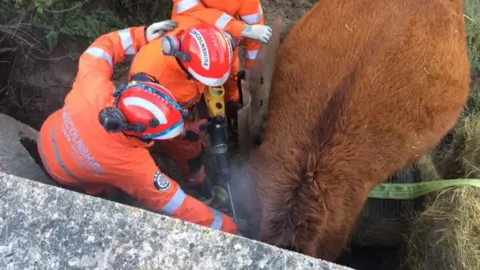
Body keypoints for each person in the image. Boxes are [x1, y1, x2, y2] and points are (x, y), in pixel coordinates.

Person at [36, 20, 239, 235]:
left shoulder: (94, 87)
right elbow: (178, 205)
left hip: (48, 134)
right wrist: (229, 227)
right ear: (144, 136)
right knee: (113, 191)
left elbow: (101, 49)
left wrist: (140, 36)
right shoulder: (133, 167)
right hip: (65, 175)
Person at [128, 16, 237, 207]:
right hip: (168, 113)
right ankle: (201, 187)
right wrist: (186, 131)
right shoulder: (150, 82)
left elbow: (224, 70)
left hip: (192, 95)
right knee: (188, 150)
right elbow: (159, 127)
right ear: (183, 59)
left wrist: (231, 100)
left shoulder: (210, 39)